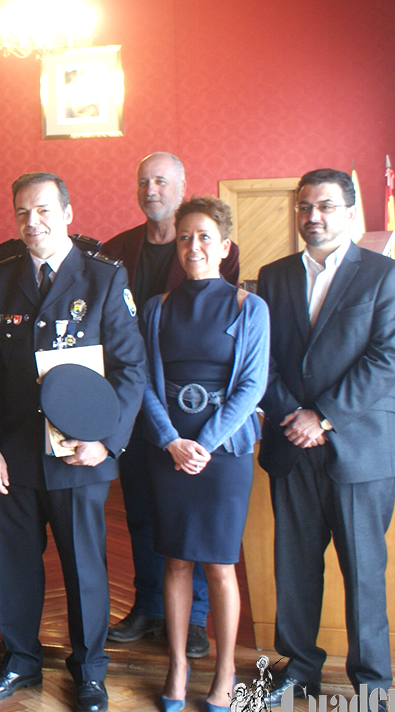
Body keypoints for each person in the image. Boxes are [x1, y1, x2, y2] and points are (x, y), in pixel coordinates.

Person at [0, 173, 145, 712]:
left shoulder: (104, 279)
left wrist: (107, 443)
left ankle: (89, 670)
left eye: (43, 210)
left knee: (85, 569)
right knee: (16, 566)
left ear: (68, 212)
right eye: (22, 212)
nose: (32, 222)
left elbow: (131, 369)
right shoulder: (0, 281)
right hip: (17, 454)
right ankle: (20, 659)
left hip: (79, 454)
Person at [256, 168, 395, 708]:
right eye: (303, 208)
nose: (313, 217)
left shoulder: (385, 275)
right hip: (290, 448)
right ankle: (299, 669)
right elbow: (263, 359)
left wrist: (320, 417)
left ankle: (372, 686)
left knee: (363, 570)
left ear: (349, 213)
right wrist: (291, 416)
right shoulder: (273, 276)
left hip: (360, 447)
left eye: (324, 206)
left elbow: (388, 358)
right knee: (295, 567)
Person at [101, 153, 240, 656]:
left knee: (196, 518)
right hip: (133, 405)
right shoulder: (117, 251)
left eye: (161, 180)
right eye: (144, 181)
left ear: (182, 187)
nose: (151, 188)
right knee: (139, 511)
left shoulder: (216, 250)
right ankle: (149, 606)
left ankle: (196, 616)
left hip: (195, 417)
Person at [135, 197, 268, 712]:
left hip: (224, 452)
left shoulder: (248, 307)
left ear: (225, 246)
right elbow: (143, 381)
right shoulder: (157, 308)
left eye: (205, 236)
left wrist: (204, 442)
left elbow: (253, 385)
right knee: (176, 559)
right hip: (167, 450)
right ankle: (177, 665)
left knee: (218, 565)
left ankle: (226, 668)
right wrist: (171, 440)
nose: (194, 246)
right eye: (186, 237)